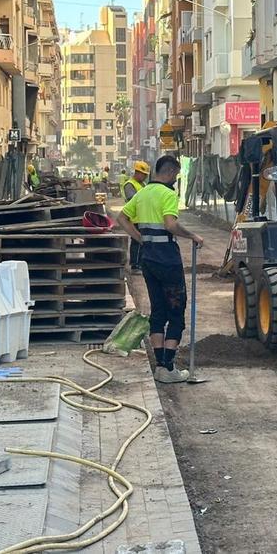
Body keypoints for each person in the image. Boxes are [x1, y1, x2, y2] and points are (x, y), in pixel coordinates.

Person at [116, 155, 204, 384]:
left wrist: (140, 238)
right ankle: (168, 367)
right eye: (176, 175)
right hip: (168, 261)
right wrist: (193, 236)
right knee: (176, 313)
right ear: (171, 172)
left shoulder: (143, 193)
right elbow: (170, 224)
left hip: (148, 259)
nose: (176, 179)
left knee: (158, 311)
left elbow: (121, 218)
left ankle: (159, 366)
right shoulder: (168, 194)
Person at [123, 161, 149, 272]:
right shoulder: (129, 185)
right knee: (136, 241)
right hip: (135, 218)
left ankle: (141, 263)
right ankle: (135, 265)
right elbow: (132, 199)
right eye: (144, 174)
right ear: (137, 172)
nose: (145, 177)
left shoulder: (143, 184)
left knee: (143, 241)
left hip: (144, 217)